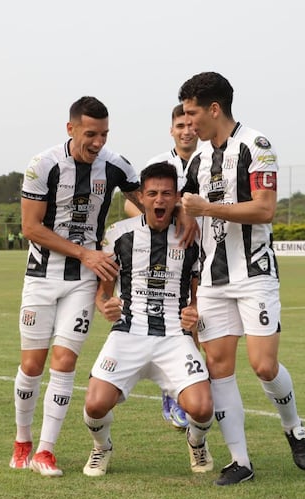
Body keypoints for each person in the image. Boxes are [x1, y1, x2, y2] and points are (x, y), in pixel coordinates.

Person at [178, 71, 305, 486]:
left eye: (192, 114)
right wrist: (187, 221)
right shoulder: (198, 160)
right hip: (213, 281)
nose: (188, 125)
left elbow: (265, 209)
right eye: (182, 118)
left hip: (254, 273)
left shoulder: (257, 146)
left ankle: (293, 427)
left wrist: (206, 210)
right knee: (219, 368)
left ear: (214, 109)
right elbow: (190, 207)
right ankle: (240, 461)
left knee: (263, 365)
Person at [10, 96, 143, 477]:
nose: (98, 141)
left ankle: (47, 451)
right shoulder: (42, 165)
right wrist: (85, 252)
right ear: (70, 129)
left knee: (65, 361)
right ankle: (22, 440)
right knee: (32, 365)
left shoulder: (117, 166)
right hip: (41, 275)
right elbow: (31, 228)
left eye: (104, 134)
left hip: (84, 280)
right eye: (90, 134)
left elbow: (146, 205)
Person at [82, 162, 214, 477]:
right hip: (128, 332)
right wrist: (105, 305)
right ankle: (101, 447)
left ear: (177, 197)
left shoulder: (191, 236)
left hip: (173, 336)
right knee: (95, 405)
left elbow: (198, 292)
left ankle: (196, 442)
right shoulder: (119, 234)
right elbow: (102, 294)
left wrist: (194, 311)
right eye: (152, 193)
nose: (159, 200)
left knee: (202, 408)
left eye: (166, 193)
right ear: (141, 196)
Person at [125, 103, 199, 430]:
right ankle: (174, 391)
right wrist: (162, 228)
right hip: (170, 256)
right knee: (182, 322)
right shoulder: (161, 164)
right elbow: (132, 202)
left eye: (191, 123)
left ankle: (196, 391)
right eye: (180, 125)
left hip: (208, 252)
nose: (187, 130)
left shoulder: (212, 160)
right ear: (171, 130)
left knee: (203, 326)